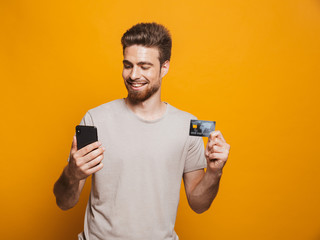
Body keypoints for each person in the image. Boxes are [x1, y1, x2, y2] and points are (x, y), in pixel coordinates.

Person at [53, 22, 230, 240]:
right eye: (128, 65)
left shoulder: (187, 126)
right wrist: (72, 173)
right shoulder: (95, 119)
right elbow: (64, 202)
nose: (133, 75)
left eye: (144, 67)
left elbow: (199, 204)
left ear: (164, 67)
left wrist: (214, 172)